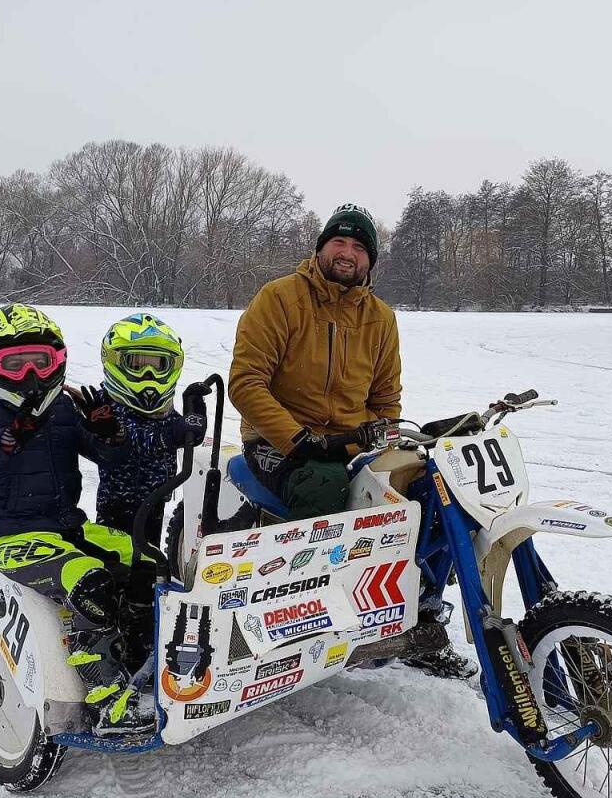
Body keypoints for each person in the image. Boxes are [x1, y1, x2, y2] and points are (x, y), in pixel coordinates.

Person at [229, 203, 474, 679]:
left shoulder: (381, 318)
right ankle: (299, 620)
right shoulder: (279, 298)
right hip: (277, 438)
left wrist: (379, 440)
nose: (347, 253)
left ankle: (420, 609)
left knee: (433, 488)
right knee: (322, 485)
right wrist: (298, 440)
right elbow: (246, 383)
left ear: (370, 260)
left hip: (350, 442)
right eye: (338, 242)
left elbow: (385, 398)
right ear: (321, 249)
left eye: (359, 246)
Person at [0, 303, 156, 735]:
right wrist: (5, 438)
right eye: (14, 364)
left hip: (67, 528)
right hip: (10, 534)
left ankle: (142, 654)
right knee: (88, 580)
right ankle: (105, 696)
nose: (30, 375)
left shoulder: (63, 406)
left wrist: (109, 432)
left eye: (40, 362)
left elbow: (110, 458)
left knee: (148, 561)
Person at [88, 313, 207, 546]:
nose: (148, 374)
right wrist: (170, 435)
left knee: (148, 556)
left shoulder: (161, 408)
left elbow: (175, 431)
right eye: (137, 364)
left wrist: (193, 422)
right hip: (118, 505)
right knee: (117, 556)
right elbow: (132, 440)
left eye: (157, 365)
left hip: (155, 500)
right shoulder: (105, 406)